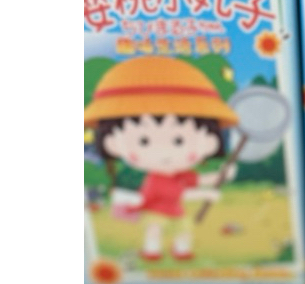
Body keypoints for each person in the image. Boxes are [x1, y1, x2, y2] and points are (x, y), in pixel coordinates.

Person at [84, 55, 239, 261]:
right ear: (112, 143)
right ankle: (152, 251)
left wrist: (223, 175)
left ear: (210, 141)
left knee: (184, 230)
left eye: (179, 141)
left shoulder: (182, 175)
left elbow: (199, 180)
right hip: (156, 213)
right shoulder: (156, 180)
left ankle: (182, 251)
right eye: (144, 141)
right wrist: (204, 195)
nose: (165, 154)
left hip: (176, 213)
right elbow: (173, 194)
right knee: (154, 230)